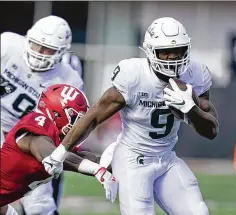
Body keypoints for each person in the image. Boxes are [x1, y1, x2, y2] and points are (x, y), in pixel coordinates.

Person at [45, 17, 219, 215]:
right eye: (165, 51)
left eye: (177, 50)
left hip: (166, 158)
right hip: (132, 160)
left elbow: (211, 130)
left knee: (198, 212)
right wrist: (60, 152)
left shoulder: (194, 75)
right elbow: (94, 116)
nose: (172, 57)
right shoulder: (134, 75)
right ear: (150, 51)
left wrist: (191, 109)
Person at [1, 15, 84, 215]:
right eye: (37, 45)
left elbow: (63, 126)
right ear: (27, 38)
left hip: (30, 137)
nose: (40, 53)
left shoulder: (69, 79)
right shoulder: (7, 45)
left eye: (48, 49)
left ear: (62, 52)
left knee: (40, 205)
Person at [0, 84, 117, 215]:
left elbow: (88, 160)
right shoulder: (37, 124)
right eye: (75, 118)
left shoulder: (56, 140)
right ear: (57, 113)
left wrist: (120, 157)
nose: (78, 125)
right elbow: (51, 155)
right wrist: (96, 169)